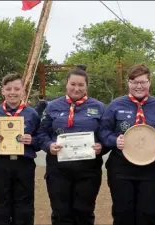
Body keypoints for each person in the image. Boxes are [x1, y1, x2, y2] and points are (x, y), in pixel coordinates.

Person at [99, 64, 155, 225]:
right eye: (134, 82)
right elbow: (103, 131)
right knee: (123, 213)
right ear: (128, 83)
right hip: (121, 168)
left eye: (143, 82)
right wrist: (114, 140)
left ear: (149, 82)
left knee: (148, 214)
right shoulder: (115, 105)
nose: (139, 86)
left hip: (150, 169)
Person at [37, 66, 106, 225]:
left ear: (87, 86)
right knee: (61, 212)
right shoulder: (53, 106)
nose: (77, 88)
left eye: (81, 85)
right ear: (66, 84)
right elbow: (41, 133)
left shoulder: (99, 107)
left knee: (85, 212)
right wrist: (49, 145)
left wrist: (101, 147)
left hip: (88, 170)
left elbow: (106, 134)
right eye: (73, 84)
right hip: (58, 169)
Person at [0, 73, 40, 225]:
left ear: (23, 90)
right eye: (8, 89)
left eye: (17, 88)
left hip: (24, 163)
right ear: (2, 91)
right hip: (0, 163)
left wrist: (32, 140)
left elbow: (40, 140)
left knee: (24, 204)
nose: (12, 92)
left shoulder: (32, 114)